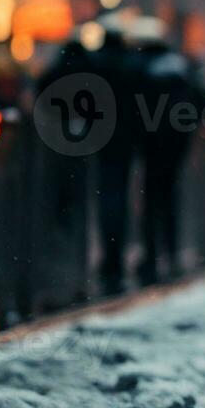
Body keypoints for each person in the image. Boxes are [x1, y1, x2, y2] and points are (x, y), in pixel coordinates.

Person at [135, 19, 198, 286]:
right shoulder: (182, 75)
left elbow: (137, 113)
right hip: (175, 147)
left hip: (152, 148)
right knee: (170, 198)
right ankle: (171, 253)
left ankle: (151, 255)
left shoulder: (146, 74)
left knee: (150, 201)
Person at [86, 20, 145, 294]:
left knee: (104, 197)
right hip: (125, 140)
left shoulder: (94, 64)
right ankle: (115, 258)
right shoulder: (132, 66)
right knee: (118, 197)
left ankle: (106, 259)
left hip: (98, 138)